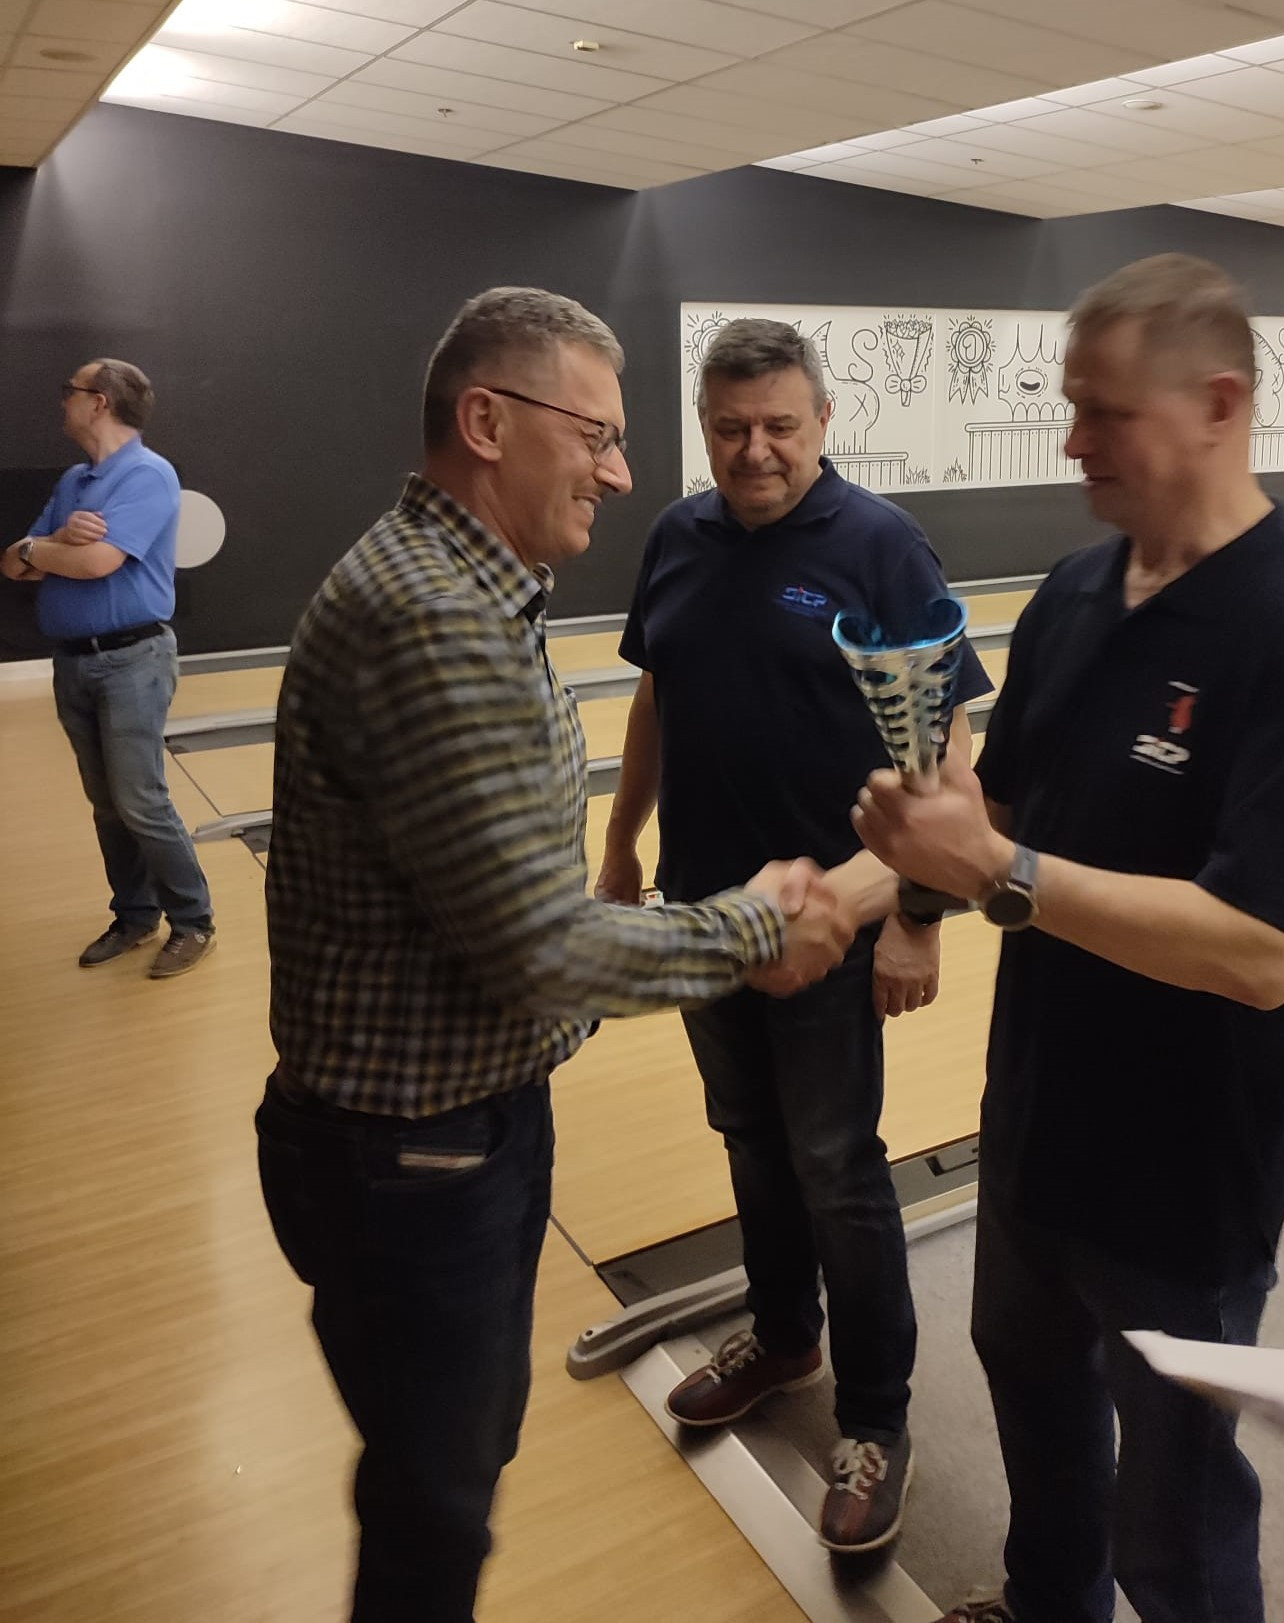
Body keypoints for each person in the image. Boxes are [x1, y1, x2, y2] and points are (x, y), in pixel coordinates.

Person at [255, 288, 870, 1623]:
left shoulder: (460, 593)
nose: (620, 471)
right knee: (434, 1509)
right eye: (596, 435)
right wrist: (757, 924)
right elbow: (537, 945)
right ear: (487, 421)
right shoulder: (435, 618)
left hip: (418, 1137)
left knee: (445, 1471)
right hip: (415, 1157)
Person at [852, 255, 1284, 1623]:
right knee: (1037, 1412)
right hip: (1041, 1115)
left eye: (1105, 412)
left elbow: (1263, 951)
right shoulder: (1077, 591)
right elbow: (1000, 809)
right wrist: (852, 892)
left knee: (1176, 1520)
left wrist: (999, 872)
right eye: (1071, 405)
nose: (1072, 440)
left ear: (1219, 403)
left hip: (1186, 1166)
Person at [597, 318, 991, 1552]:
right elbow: (656, 695)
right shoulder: (677, 535)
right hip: (701, 918)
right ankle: (783, 1337)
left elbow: (949, 757)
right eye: (730, 428)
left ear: (825, 421)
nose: (754, 449)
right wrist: (621, 844)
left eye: (779, 425)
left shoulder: (880, 546)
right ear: (704, 427)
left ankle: (874, 1416)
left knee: (836, 1166)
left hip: (828, 928)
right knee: (750, 1138)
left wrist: (916, 916)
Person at [1, 359, 216, 978]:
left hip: (132, 661)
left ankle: (194, 922)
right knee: (106, 803)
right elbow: (12, 563)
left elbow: (97, 563)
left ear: (99, 402)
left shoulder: (148, 474)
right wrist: (51, 543)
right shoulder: (74, 481)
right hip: (73, 662)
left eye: (69, 391)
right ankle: (135, 916)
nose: (61, 401)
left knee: (139, 799)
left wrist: (46, 550)